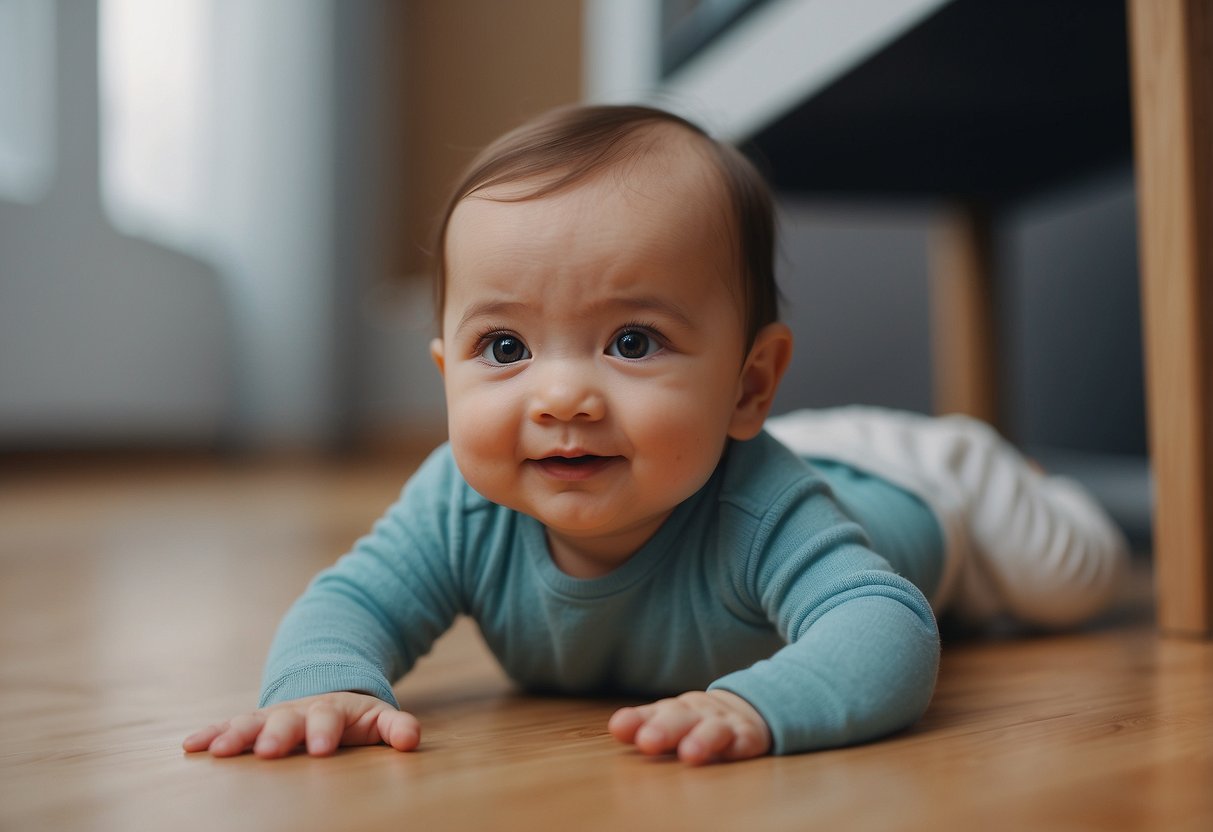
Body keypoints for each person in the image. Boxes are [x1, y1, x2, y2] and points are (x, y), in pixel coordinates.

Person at [183, 104, 1128, 765]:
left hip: (915, 479)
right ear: (445, 375)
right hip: (777, 442)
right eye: (504, 346)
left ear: (746, 385)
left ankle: (1042, 480)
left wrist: (760, 701)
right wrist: (323, 685)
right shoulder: (456, 503)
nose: (559, 398)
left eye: (630, 342)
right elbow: (352, 603)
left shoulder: (762, 507)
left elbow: (884, 628)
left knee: (1069, 579)